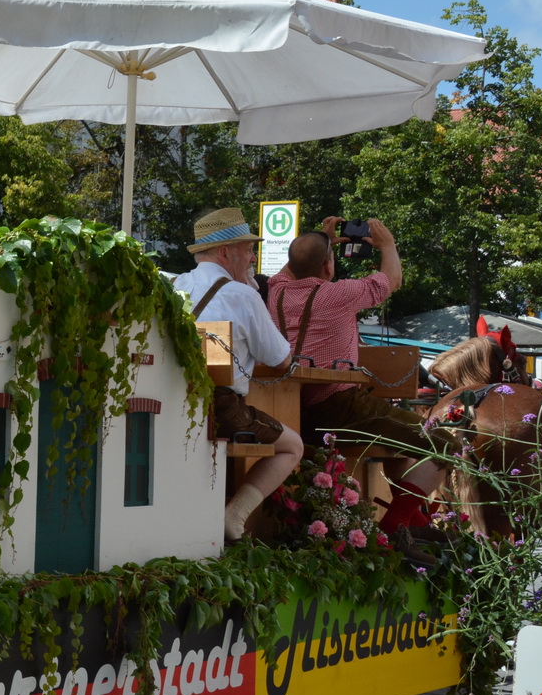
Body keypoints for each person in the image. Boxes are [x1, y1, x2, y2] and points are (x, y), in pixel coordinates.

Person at [266, 217, 446, 533]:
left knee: (398, 438)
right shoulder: (340, 293)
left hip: (293, 407)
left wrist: (321, 240)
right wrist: (387, 244)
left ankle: (414, 519)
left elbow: (292, 266)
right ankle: (397, 521)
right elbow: (392, 279)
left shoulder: (276, 291)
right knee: (444, 444)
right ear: (328, 267)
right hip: (340, 407)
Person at [170, 208, 303, 541]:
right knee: (293, 447)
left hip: (174, 402)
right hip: (222, 409)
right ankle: (235, 516)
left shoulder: (175, 286)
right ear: (225, 252)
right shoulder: (242, 295)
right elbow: (281, 360)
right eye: (247, 249)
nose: (252, 256)